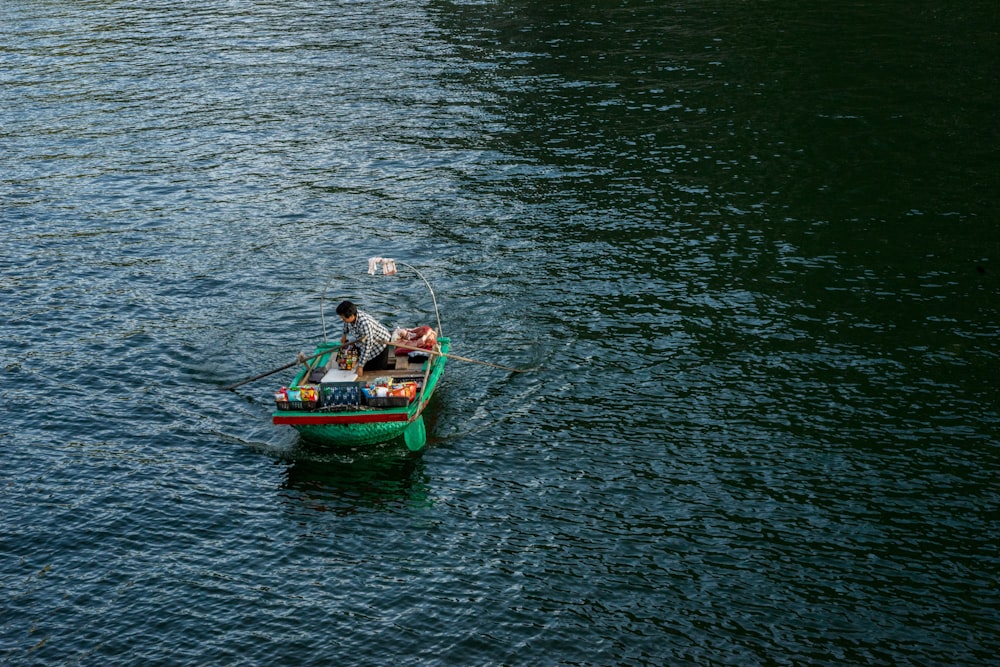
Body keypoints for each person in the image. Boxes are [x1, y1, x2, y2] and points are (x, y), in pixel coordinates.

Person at [336, 300, 390, 379]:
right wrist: (344, 335)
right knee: (364, 365)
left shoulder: (364, 324)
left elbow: (367, 346)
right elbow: (346, 323)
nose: (343, 320)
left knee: (377, 371)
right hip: (363, 342)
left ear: (351, 316)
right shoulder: (350, 318)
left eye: (344, 318)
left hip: (379, 345)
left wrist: (361, 366)